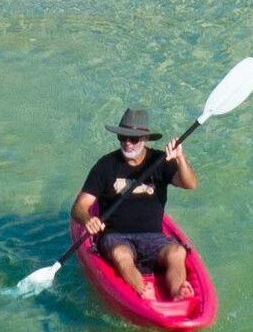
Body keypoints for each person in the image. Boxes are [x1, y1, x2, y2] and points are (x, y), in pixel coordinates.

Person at [75, 112, 195, 298]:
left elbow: (190, 184)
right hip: (116, 237)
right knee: (121, 254)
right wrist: (88, 219)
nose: (127, 143)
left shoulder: (160, 161)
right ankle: (142, 290)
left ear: (145, 139)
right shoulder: (105, 165)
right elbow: (79, 206)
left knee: (177, 251)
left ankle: (179, 291)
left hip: (153, 237)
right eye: (122, 137)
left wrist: (180, 158)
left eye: (133, 138)